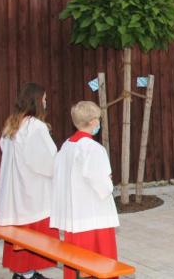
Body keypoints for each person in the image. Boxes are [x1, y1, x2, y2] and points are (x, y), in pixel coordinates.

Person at [0, 83, 58, 279]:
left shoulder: (12, 123)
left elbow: (6, 150)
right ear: (37, 101)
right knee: (33, 236)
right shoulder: (36, 127)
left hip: (14, 192)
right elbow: (49, 159)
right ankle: (27, 275)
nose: (46, 103)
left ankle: (24, 272)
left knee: (19, 235)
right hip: (32, 192)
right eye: (44, 99)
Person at [51, 101, 120, 279]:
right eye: (98, 119)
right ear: (92, 122)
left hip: (74, 216)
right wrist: (109, 181)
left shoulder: (66, 145)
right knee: (100, 262)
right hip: (94, 216)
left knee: (77, 263)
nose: (99, 122)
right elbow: (102, 185)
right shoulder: (93, 149)